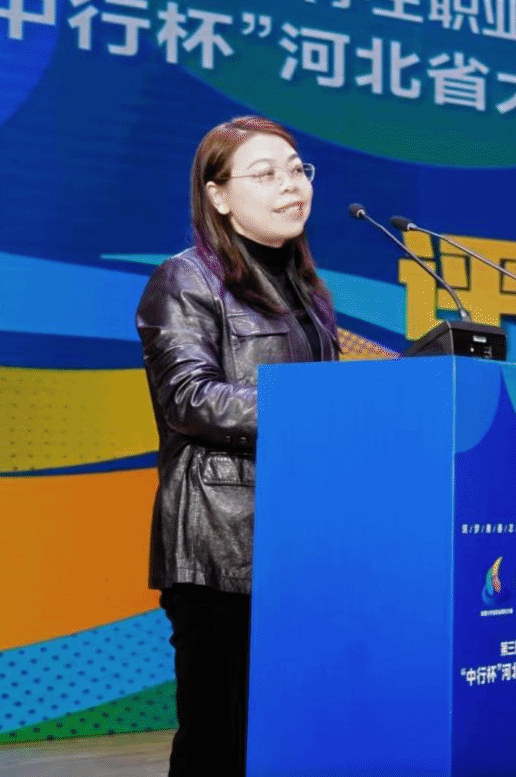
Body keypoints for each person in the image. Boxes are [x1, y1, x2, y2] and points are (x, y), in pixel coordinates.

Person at [135, 115, 339, 777]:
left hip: (299, 539)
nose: (291, 185)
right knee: (219, 743)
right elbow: (189, 398)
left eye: (298, 169)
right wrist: (321, 410)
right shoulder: (185, 278)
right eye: (266, 173)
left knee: (290, 737)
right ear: (218, 195)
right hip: (222, 547)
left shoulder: (308, 292)